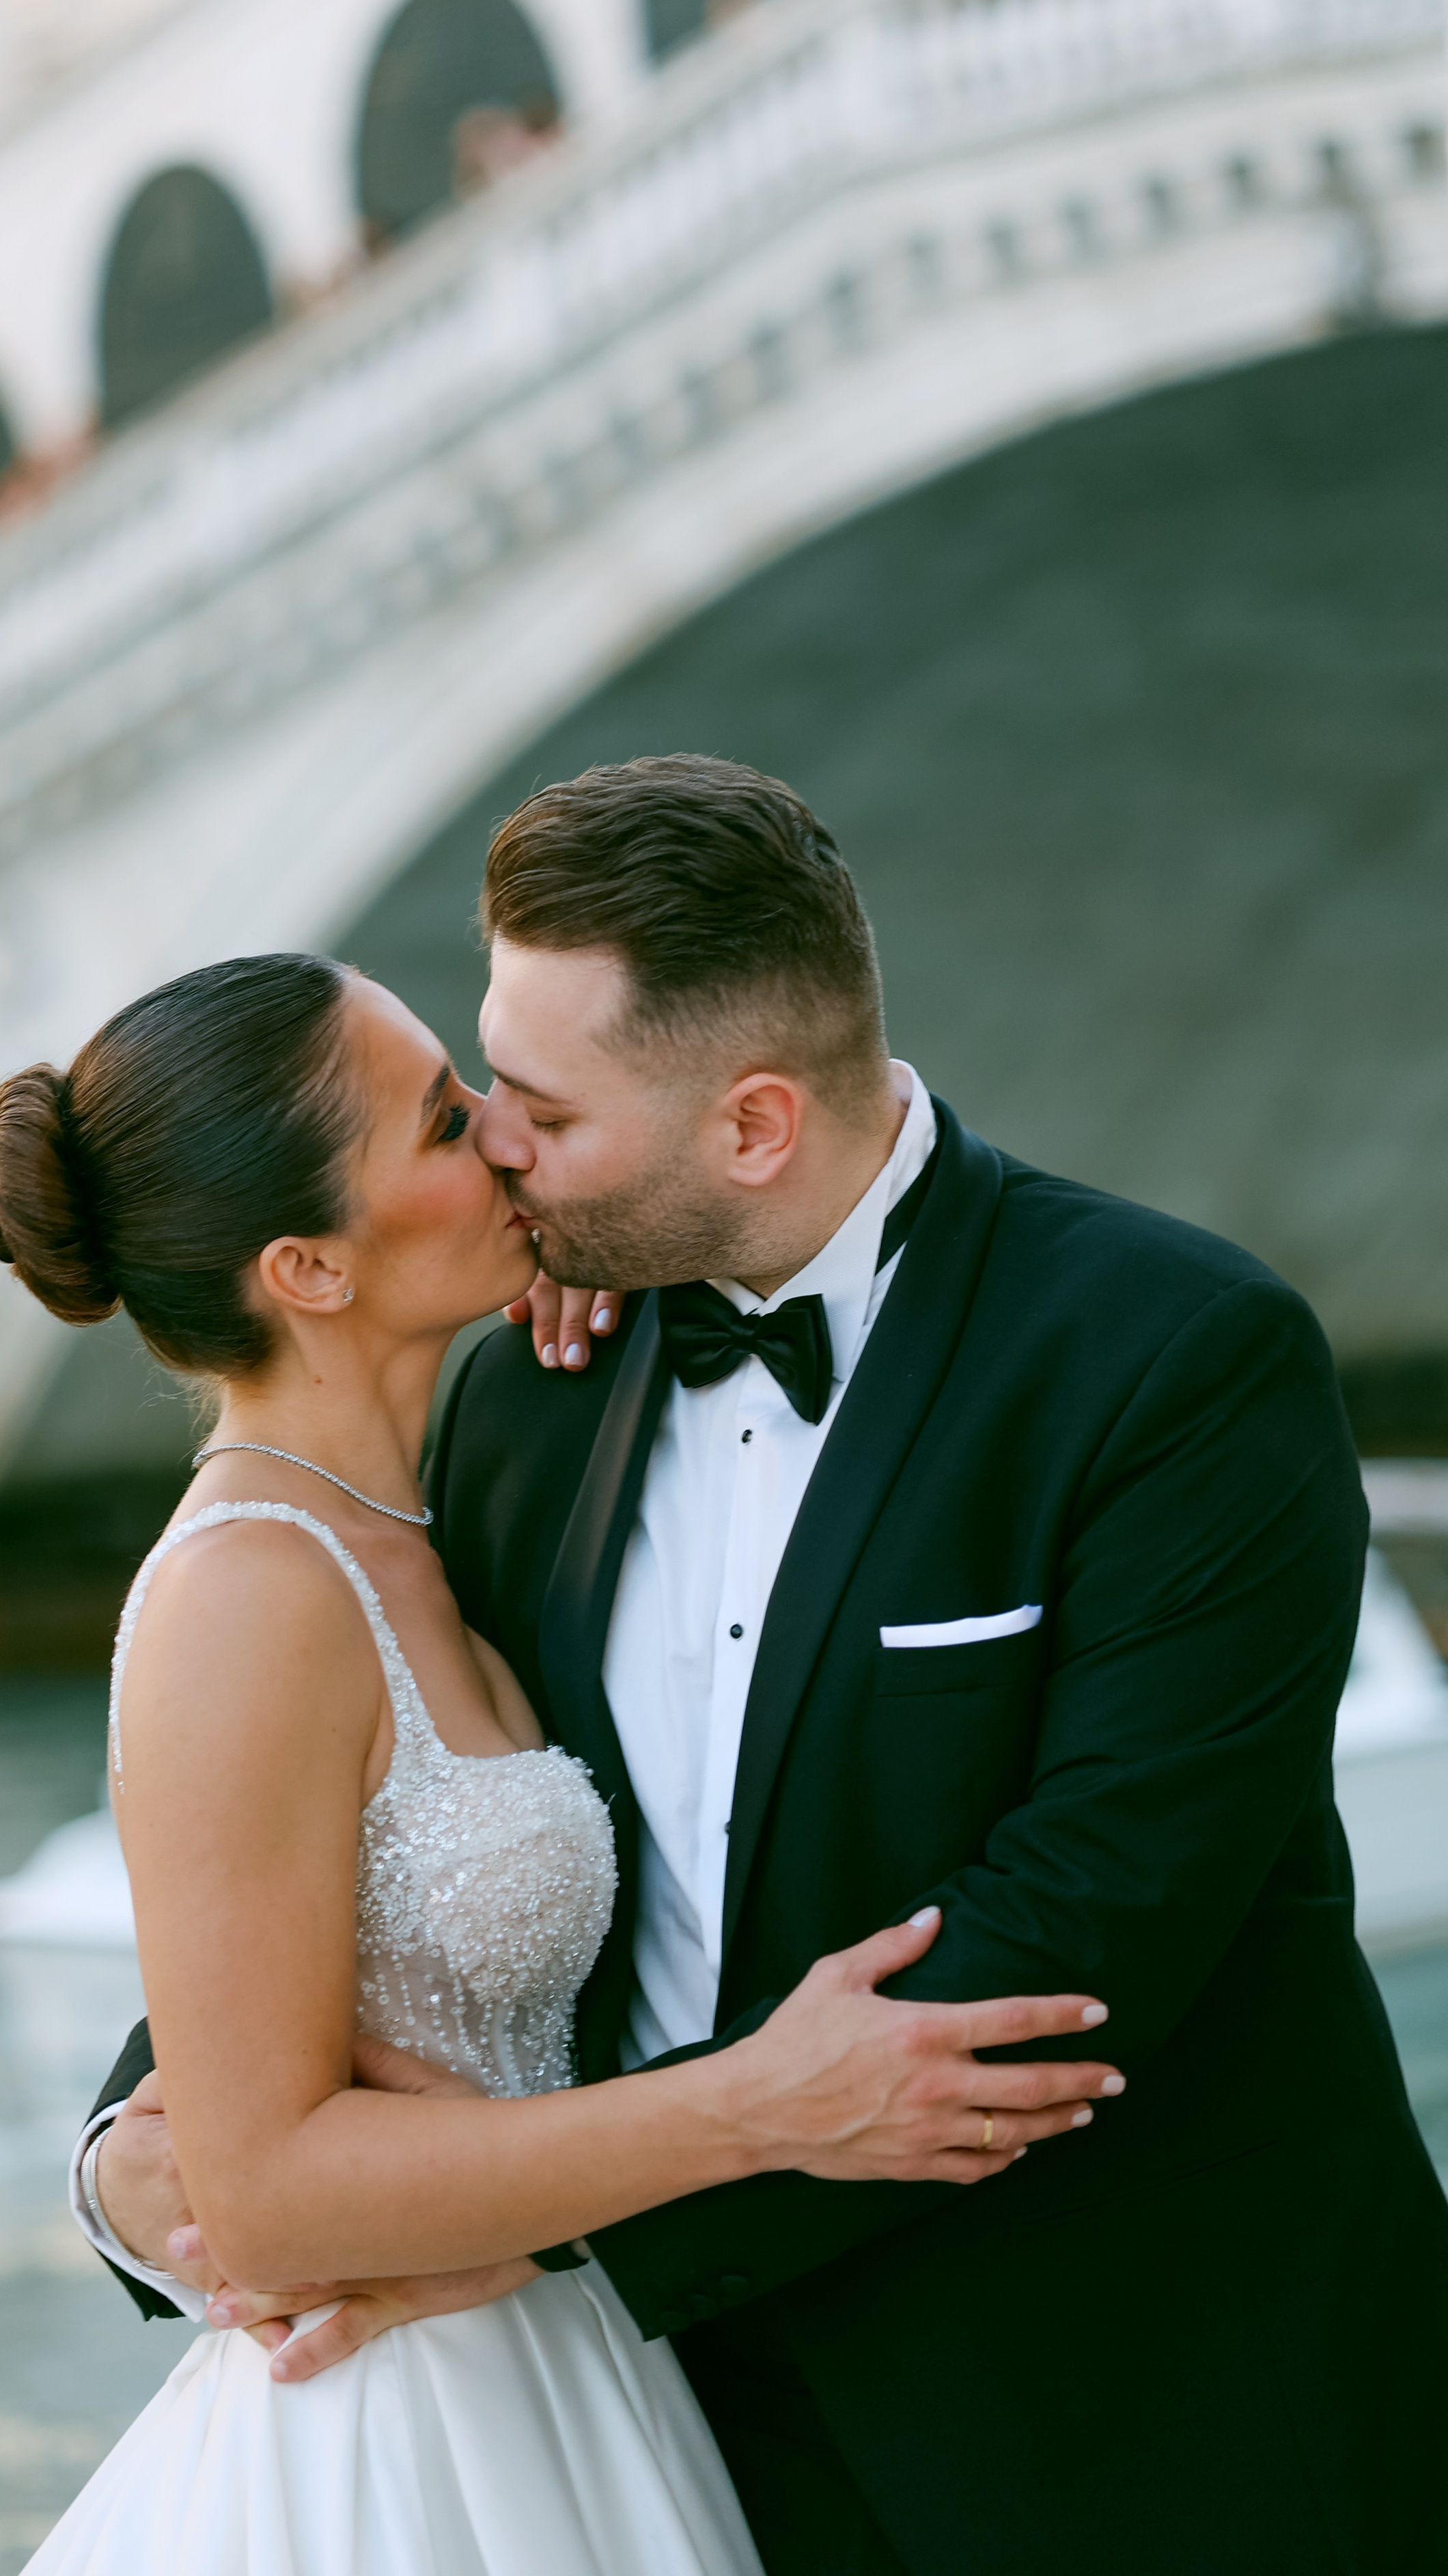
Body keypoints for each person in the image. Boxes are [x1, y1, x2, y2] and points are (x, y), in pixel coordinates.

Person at [82, 757, 1448, 2575]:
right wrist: (133, 2155)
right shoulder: (522, 1393)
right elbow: (357, 1840)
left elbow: (1087, 1927)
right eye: (476, 1088)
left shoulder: (1178, 1362)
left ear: (747, 1127)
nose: (495, 1141)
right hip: (678, 2452)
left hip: (1138, 2431)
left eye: (542, 1114)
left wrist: (573, 2235)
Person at [0, 945, 1119, 2576]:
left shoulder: (447, 1498)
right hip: (389, 2438)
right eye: (443, 1124)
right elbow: (270, 2186)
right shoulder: (246, 1594)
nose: (508, 1139)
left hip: (588, 2374)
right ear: (308, 1268)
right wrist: (752, 2111)